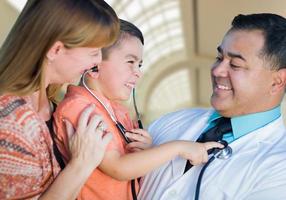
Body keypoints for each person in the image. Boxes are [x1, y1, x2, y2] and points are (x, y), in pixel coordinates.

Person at [53, 19, 223, 200]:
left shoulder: (116, 110)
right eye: (130, 62)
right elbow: (119, 168)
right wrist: (179, 147)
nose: (138, 72)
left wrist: (146, 150)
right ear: (95, 64)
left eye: (139, 65)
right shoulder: (79, 108)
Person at [138, 13, 286, 200]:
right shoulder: (171, 121)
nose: (217, 70)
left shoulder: (280, 168)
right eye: (219, 57)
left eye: (235, 64)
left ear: (277, 82)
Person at [0, 0, 119, 199]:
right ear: (55, 50)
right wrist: (81, 163)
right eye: (93, 52)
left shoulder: (52, 103)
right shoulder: (9, 126)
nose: (98, 60)